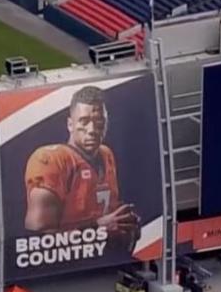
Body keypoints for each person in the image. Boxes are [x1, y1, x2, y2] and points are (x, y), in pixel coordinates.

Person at [23, 86, 140, 238]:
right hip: (66, 260)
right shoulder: (52, 160)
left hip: (103, 256)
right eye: (84, 121)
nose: (92, 129)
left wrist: (125, 222)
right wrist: (96, 228)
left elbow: (107, 213)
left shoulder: (106, 154)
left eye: (99, 122)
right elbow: (37, 238)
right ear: (70, 125)